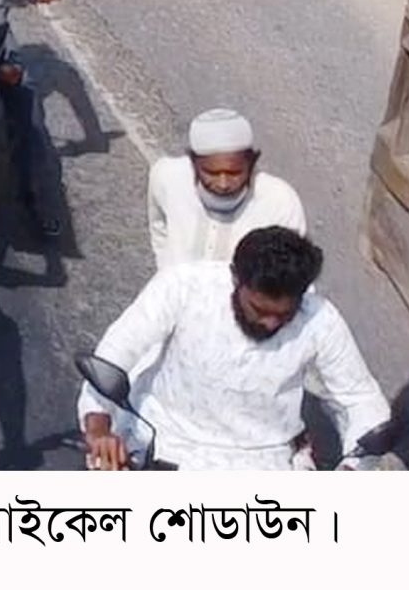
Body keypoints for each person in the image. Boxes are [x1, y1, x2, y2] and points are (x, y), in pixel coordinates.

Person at [79, 228, 389, 472]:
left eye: (284, 315)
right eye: (259, 309)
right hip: (161, 444)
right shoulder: (184, 287)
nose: (269, 324)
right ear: (235, 279)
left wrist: (353, 466)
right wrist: (99, 430)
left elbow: (360, 398)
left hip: (267, 463)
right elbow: (113, 356)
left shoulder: (319, 319)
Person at [148, 109, 309, 271]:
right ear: (193, 162)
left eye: (234, 173)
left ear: (252, 162)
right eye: (211, 173)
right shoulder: (167, 177)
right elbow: (159, 228)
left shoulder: (280, 200)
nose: (223, 184)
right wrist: (166, 272)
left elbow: (295, 269)